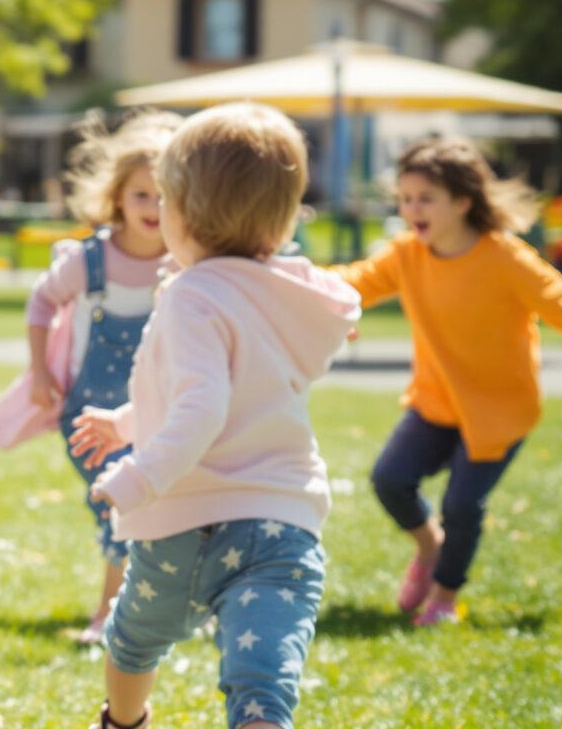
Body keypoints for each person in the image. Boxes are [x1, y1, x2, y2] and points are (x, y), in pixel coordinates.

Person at [68, 103, 360, 729]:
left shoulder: (194, 293)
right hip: (283, 522)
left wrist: (138, 476)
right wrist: (126, 421)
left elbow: (201, 407)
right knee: (262, 679)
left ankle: (122, 723)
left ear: (182, 210)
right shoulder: (290, 290)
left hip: (187, 520)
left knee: (134, 639)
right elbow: (231, 390)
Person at [331, 137, 562, 628]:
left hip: (498, 410)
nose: (411, 209)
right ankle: (429, 548)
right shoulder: (406, 255)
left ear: (462, 202)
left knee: (462, 504)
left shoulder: (505, 259)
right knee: (390, 480)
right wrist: (282, 279)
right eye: (406, 198)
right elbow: (351, 282)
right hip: (437, 401)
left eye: (424, 199)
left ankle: (443, 595)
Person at [16, 110, 179, 645]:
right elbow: (41, 304)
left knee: (152, 504)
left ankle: (143, 607)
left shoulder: (186, 260)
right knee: (116, 501)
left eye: (166, 195)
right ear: (117, 197)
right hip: (88, 413)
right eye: (141, 195)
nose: (154, 208)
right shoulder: (90, 259)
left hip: (156, 412)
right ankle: (113, 611)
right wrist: (40, 373)